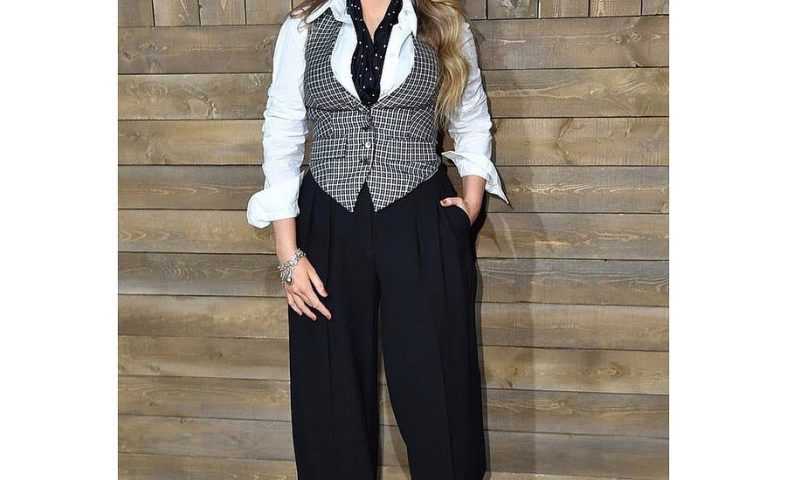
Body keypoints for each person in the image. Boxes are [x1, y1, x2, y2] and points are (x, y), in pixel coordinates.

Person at [246, 0, 508, 478]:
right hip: (328, 219)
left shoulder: (441, 21)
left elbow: (471, 119)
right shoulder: (305, 26)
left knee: (436, 384)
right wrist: (288, 253)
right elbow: (282, 130)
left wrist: (468, 208)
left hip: (420, 217)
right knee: (329, 393)